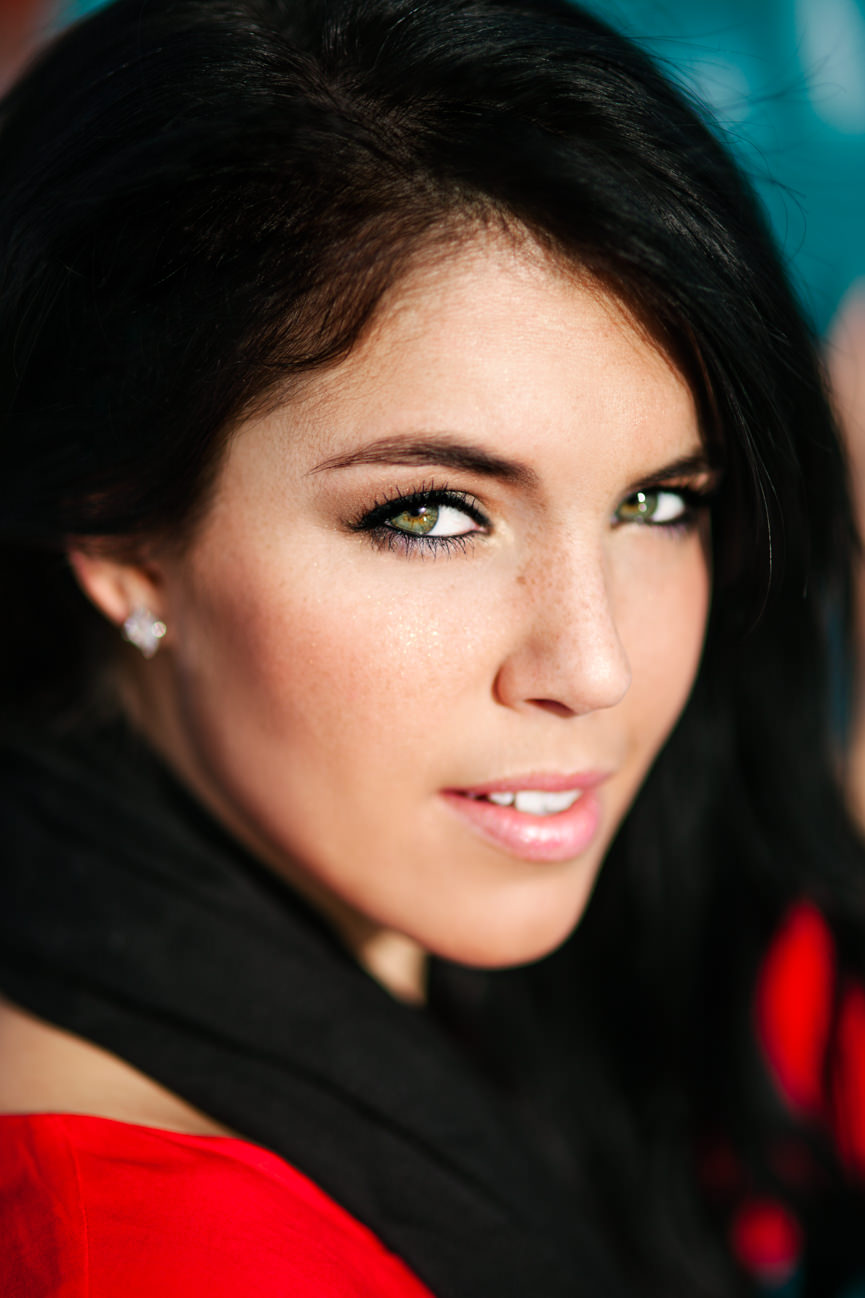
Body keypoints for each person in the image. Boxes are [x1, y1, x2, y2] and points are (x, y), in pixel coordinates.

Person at [0, 0, 863, 1294]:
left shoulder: (448, 926)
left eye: (658, 502)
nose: (594, 664)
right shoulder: (159, 1247)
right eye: (433, 515)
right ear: (118, 532)